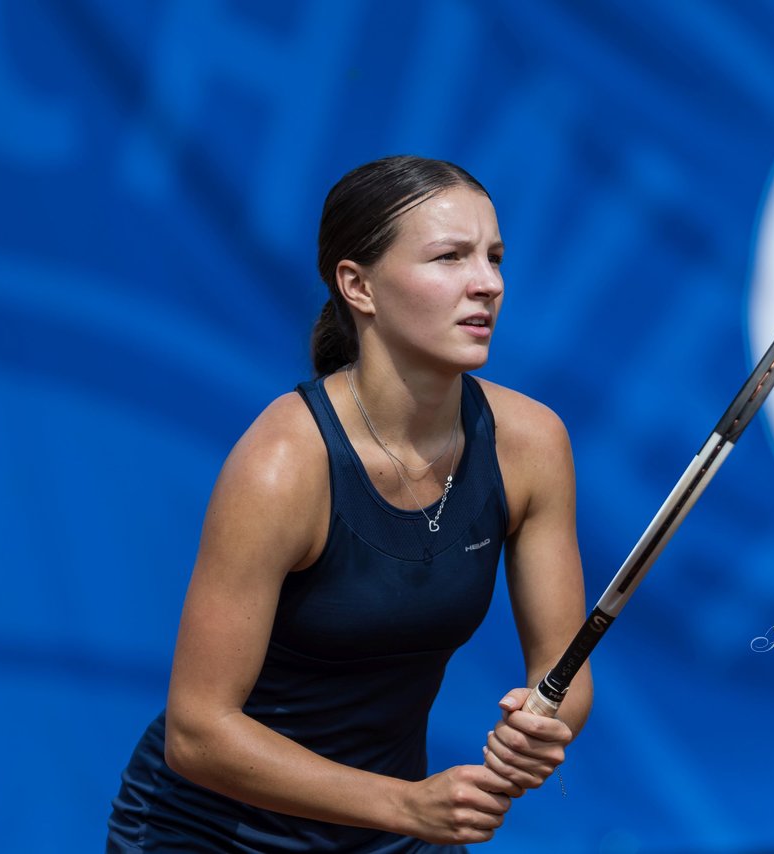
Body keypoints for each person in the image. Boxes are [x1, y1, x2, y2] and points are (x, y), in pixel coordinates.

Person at [107, 155, 593, 852]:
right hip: (210, 834)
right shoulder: (282, 465)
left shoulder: (533, 444)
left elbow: (563, 674)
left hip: (384, 829)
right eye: (449, 258)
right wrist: (406, 808)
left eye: (494, 257)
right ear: (358, 286)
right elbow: (196, 733)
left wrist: (546, 728)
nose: (487, 283)